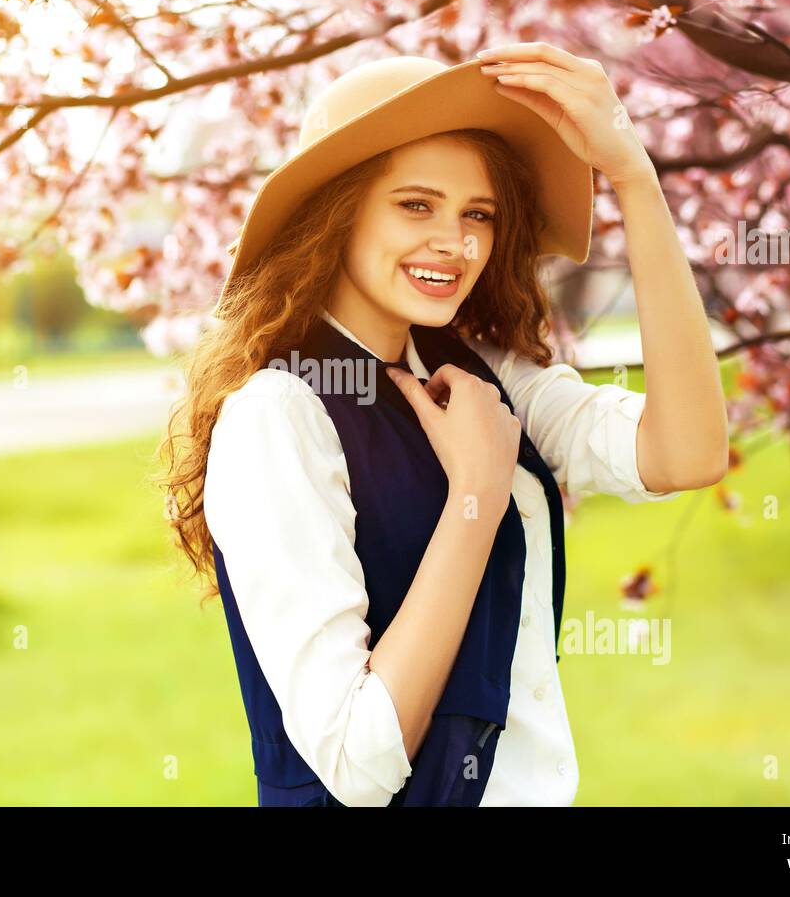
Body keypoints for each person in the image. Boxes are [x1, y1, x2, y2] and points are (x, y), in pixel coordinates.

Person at [159, 46, 728, 806]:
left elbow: (685, 453)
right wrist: (477, 493)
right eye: (416, 205)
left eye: (478, 215)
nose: (456, 243)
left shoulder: (483, 374)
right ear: (340, 209)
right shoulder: (277, 416)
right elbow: (359, 763)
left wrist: (635, 182)